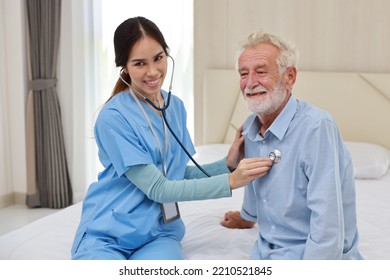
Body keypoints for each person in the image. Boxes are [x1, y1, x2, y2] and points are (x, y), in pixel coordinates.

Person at [71, 17, 272, 260]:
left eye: (158, 58)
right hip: (108, 235)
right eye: (139, 63)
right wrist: (230, 180)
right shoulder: (113, 118)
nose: (153, 71)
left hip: (158, 234)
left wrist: (227, 164)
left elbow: (174, 173)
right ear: (124, 66)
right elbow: (158, 188)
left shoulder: (174, 107)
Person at [220, 29, 363, 260]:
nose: (250, 83)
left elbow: (328, 225)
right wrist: (246, 217)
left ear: (290, 77)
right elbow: (256, 188)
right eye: (243, 73)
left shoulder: (317, 128)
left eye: (261, 72)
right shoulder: (250, 128)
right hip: (265, 253)